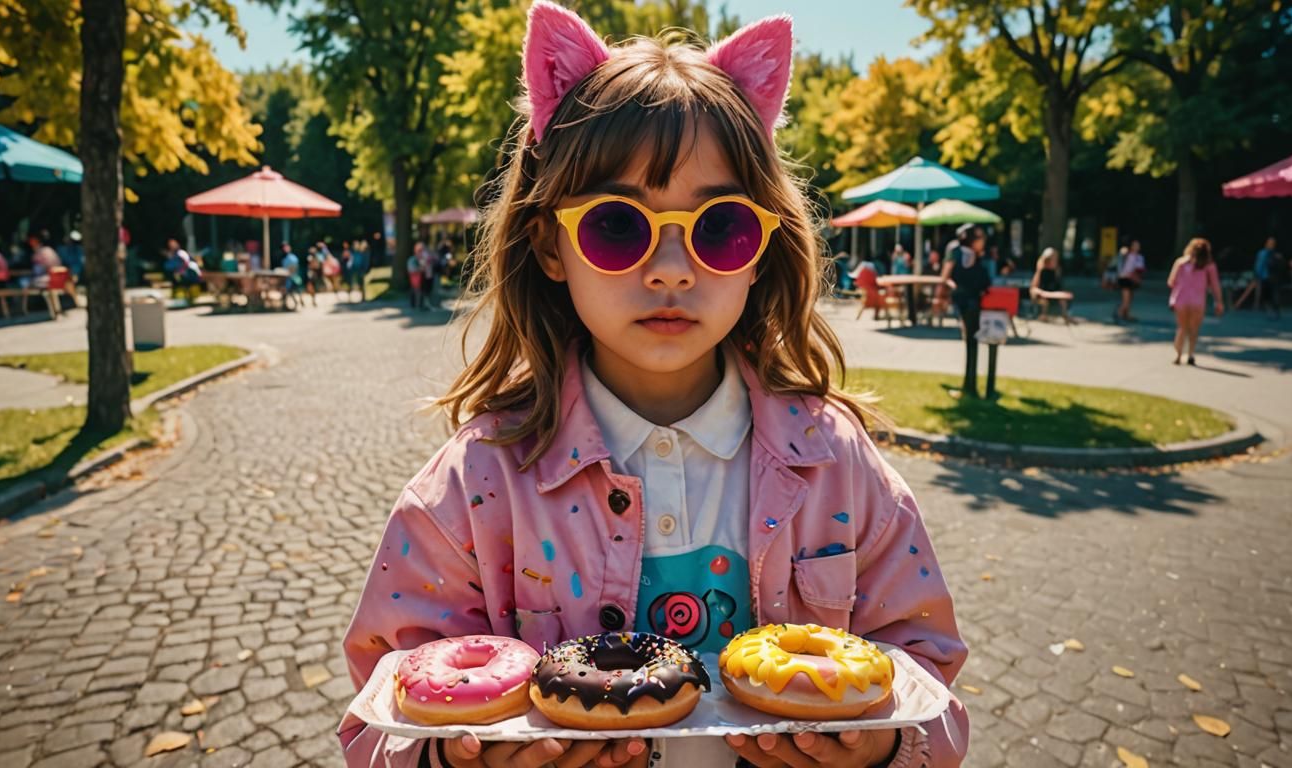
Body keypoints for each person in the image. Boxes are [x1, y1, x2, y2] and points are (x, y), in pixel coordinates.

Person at [337, 5, 967, 768]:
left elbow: (926, 664)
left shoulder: (840, 466)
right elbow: (380, 711)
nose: (672, 267)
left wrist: (888, 748)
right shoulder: (473, 490)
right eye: (616, 225)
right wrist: (450, 760)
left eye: (719, 226)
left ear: (763, 248)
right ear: (549, 245)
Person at [941, 224, 992, 396]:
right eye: (979, 238)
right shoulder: (960, 252)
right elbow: (947, 276)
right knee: (971, 341)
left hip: (972, 302)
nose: (982, 241)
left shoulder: (975, 255)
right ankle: (970, 385)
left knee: (971, 341)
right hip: (968, 302)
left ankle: (970, 385)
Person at [1167, 237, 1224, 366]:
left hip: (1181, 300)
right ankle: (1191, 354)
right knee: (1194, 329)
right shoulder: (1209, 266)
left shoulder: (1181, 263)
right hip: (1198, 301)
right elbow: (1215, 285)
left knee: (1181, 328)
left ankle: (1178, 354)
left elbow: (1171, 281)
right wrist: (1219, 302)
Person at [1030, 246, 1073, 323]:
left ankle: (1065, 316)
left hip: (1051, 293)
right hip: (1042, 293)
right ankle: (1043, 316)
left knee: (1063, 300)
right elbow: (1034, 286)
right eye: (1053, 258)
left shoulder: (1057, 270)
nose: (1055, 260)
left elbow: (1057, 285)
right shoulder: (1041, 270)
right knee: (1044, 301)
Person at [1116, 239, 1146, 322]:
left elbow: (1141, 269)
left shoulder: (1140, 257)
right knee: (1126, 299)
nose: (1136, 247)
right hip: (1125, 278)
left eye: (1138, 245)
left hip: (1133, 279)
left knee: (1130, 299)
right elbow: (1121, 267)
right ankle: (1119, 314)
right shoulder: (1126, 255)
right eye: (1134, 245)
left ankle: (1126, 314)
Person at [1253, 236, 1282, 319]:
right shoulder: (1262, 253)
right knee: (1265, 295)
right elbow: (1258, 264)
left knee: (1274, 294)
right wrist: (1257, 274)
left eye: (1272, 243)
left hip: (1273, 277)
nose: (1270, 244)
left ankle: (1276, 311)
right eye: (1269, 243)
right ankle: (1268, 310)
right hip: (1263, 277)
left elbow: (1279, 266)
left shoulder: (1275, 254)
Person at [406, 244, 426, 309]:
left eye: (422, 250)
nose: (421, 252)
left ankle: (420, 304)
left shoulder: (422, 259)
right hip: (415, 277)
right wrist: (420, 269)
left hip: (421, 278)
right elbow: (411, 269)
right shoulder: (412, 259)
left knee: (420, 291)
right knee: (415, 290)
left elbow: (424, 268)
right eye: (419, 250)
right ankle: (415, 305)